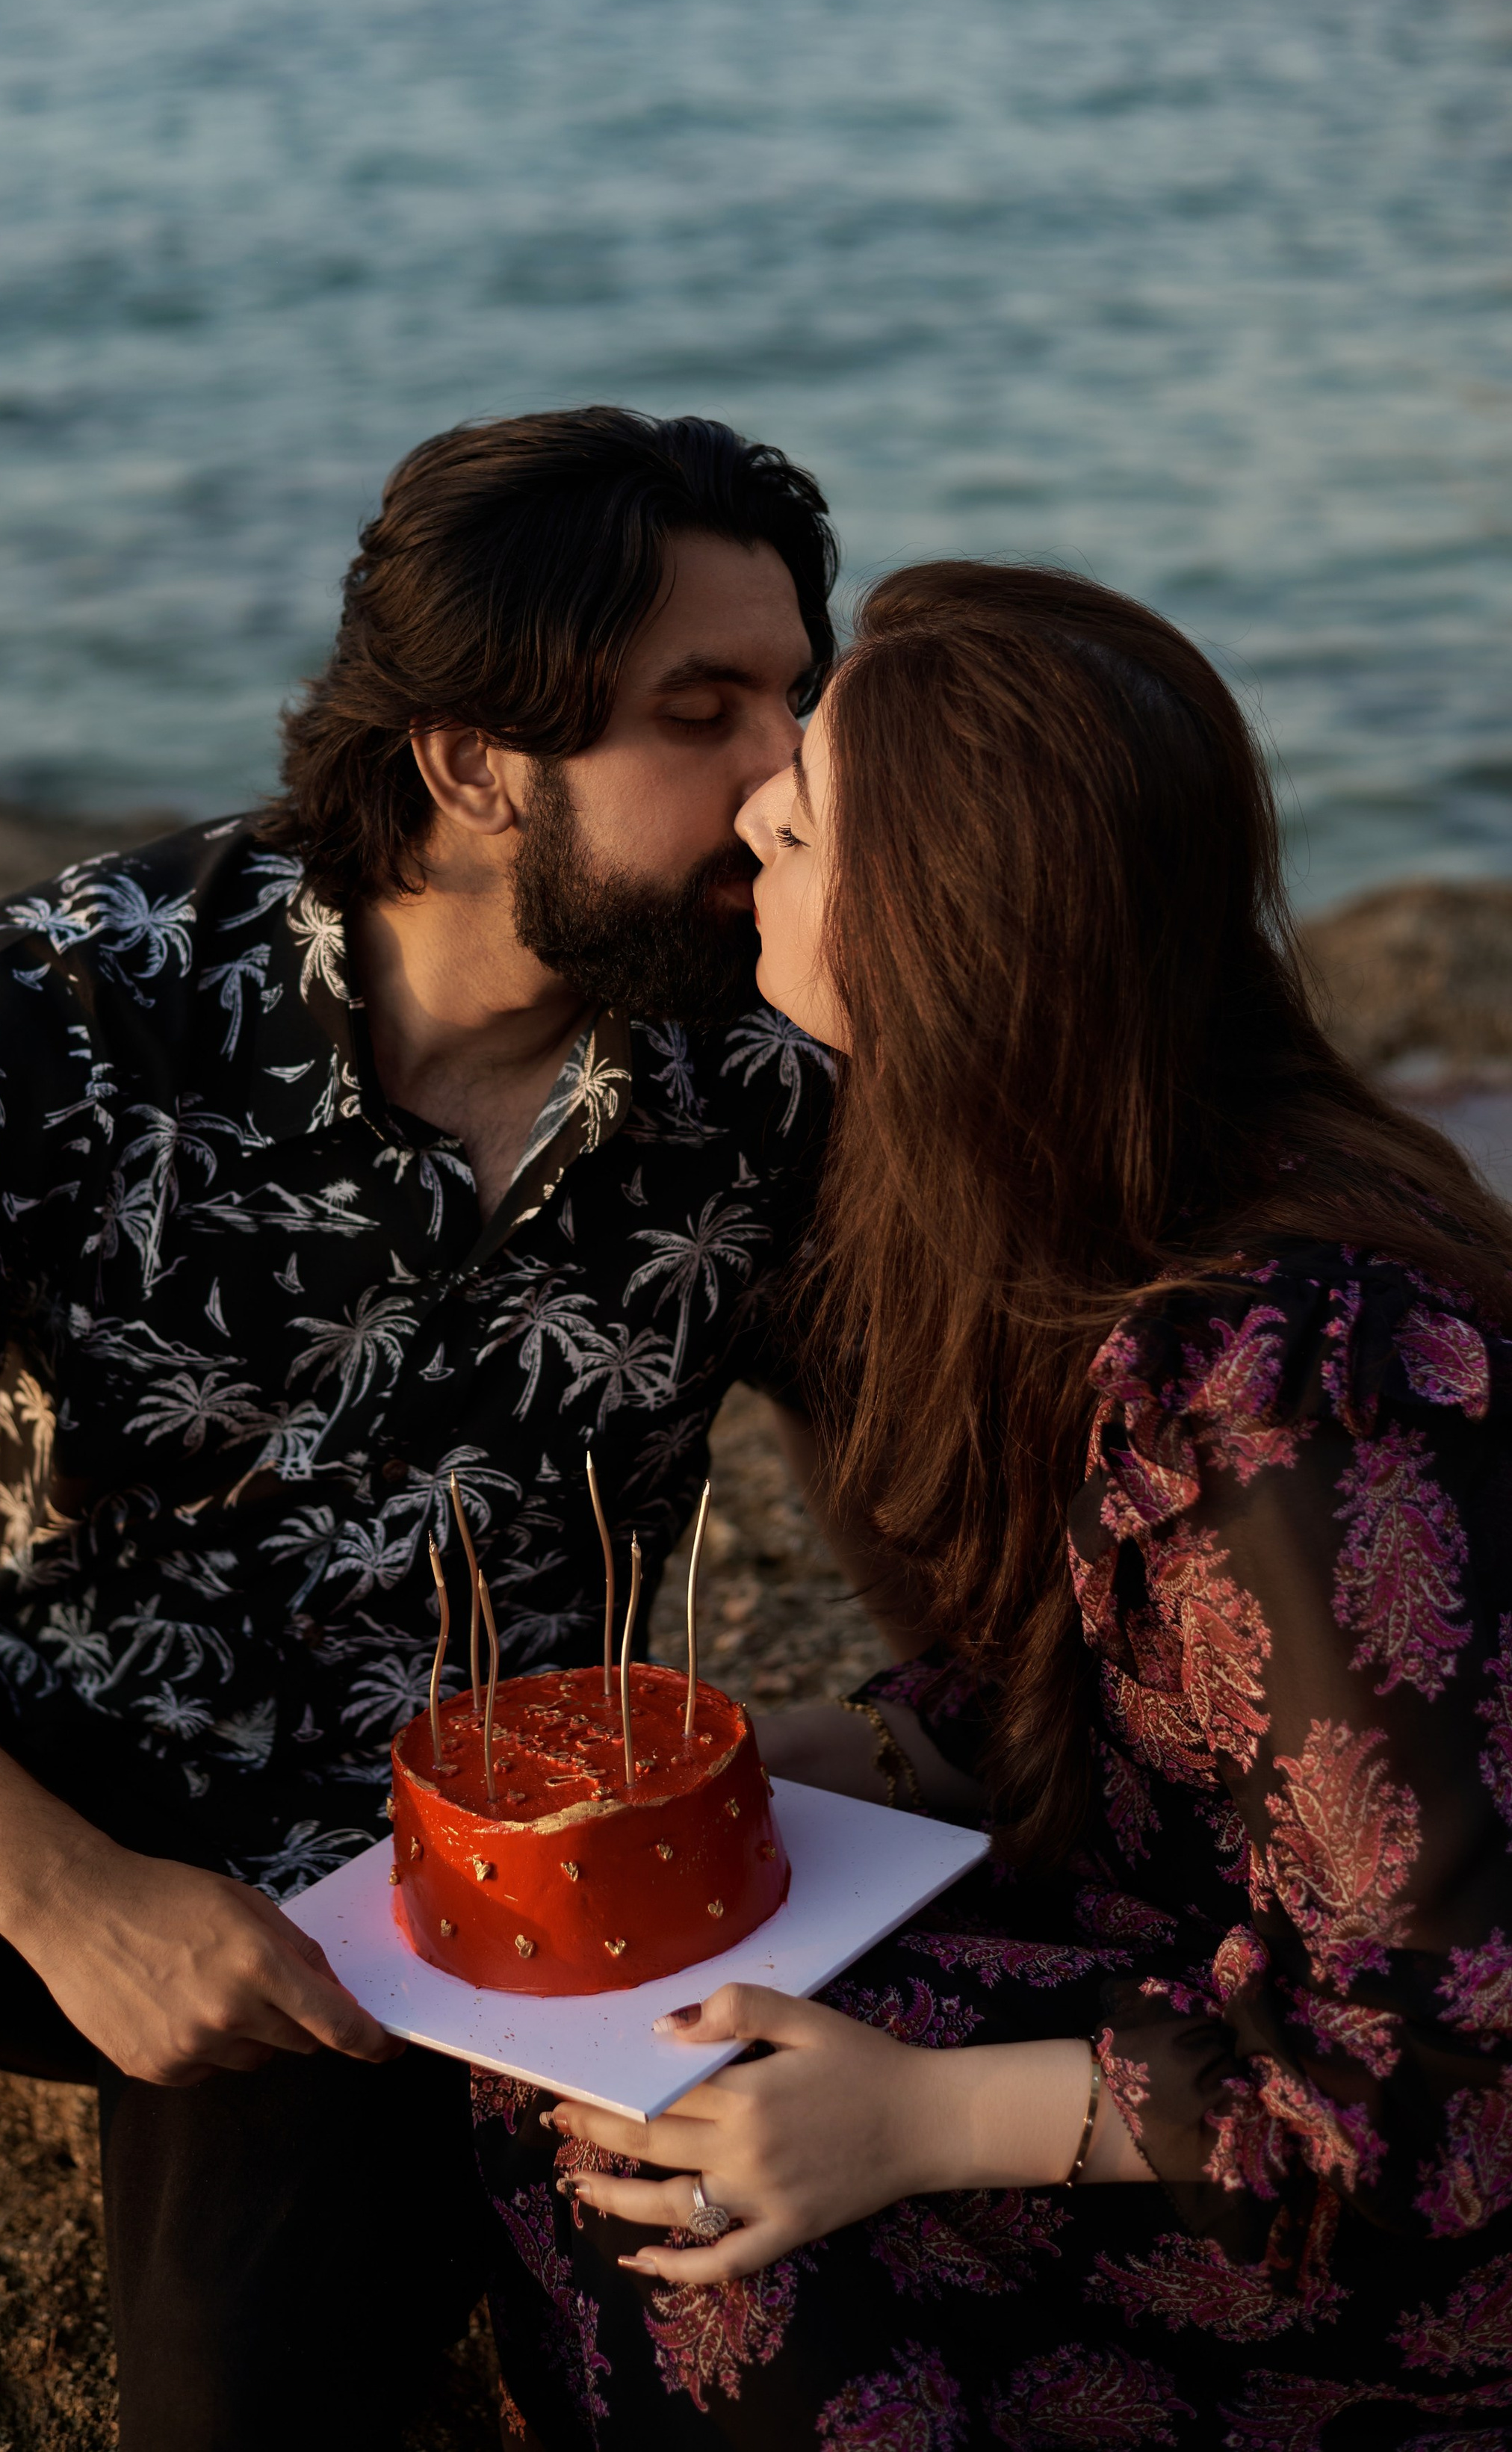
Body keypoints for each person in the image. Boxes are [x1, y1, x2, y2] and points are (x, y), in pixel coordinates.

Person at [0, 409, 843, 2452]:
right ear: (465, 759)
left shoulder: (769, 1057)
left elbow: (969, 1461)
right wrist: (59, 1890)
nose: (783, 775)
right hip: (57, 1765)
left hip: (461, 1896)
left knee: (240, 2412)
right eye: (697, 711)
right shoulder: (83, 1001)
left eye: (796, 697)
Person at [479, 561, 1512, 2451]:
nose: (740, 837)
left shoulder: (1288, 1386)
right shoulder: (1131, 1202)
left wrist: (908, 2120)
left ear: (944, 935)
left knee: (670, 2158)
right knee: (604, 2008)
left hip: (1413, 2224)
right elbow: (1194, 1727)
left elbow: (1439, 2075)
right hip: (1222, 1998)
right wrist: (798, 1753)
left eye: (788, 830)